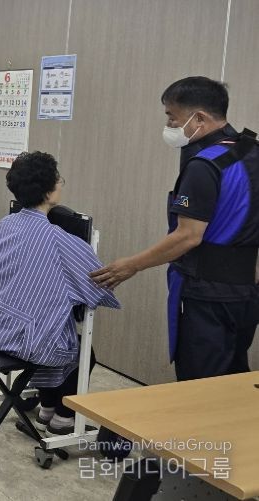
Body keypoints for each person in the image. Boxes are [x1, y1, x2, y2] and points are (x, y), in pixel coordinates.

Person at [91, 76, 259, 381]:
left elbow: (187, 236)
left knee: (199, 383)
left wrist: (131, 265)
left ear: (200, 118)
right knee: (234, 379)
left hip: (207, 295)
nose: (169, 125)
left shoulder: (205, 165)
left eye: (172, 117)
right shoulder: (252, 150)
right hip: (246, 293)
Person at [0, 151, 120, 435]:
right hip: (23, 341)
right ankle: (63, 419)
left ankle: (47, 409)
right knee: (76, 349)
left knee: (51, 328)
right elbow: (99, 285)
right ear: (48, 192)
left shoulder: (4, 225)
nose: (61, 183)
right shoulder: (61, 241)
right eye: (59, 179)